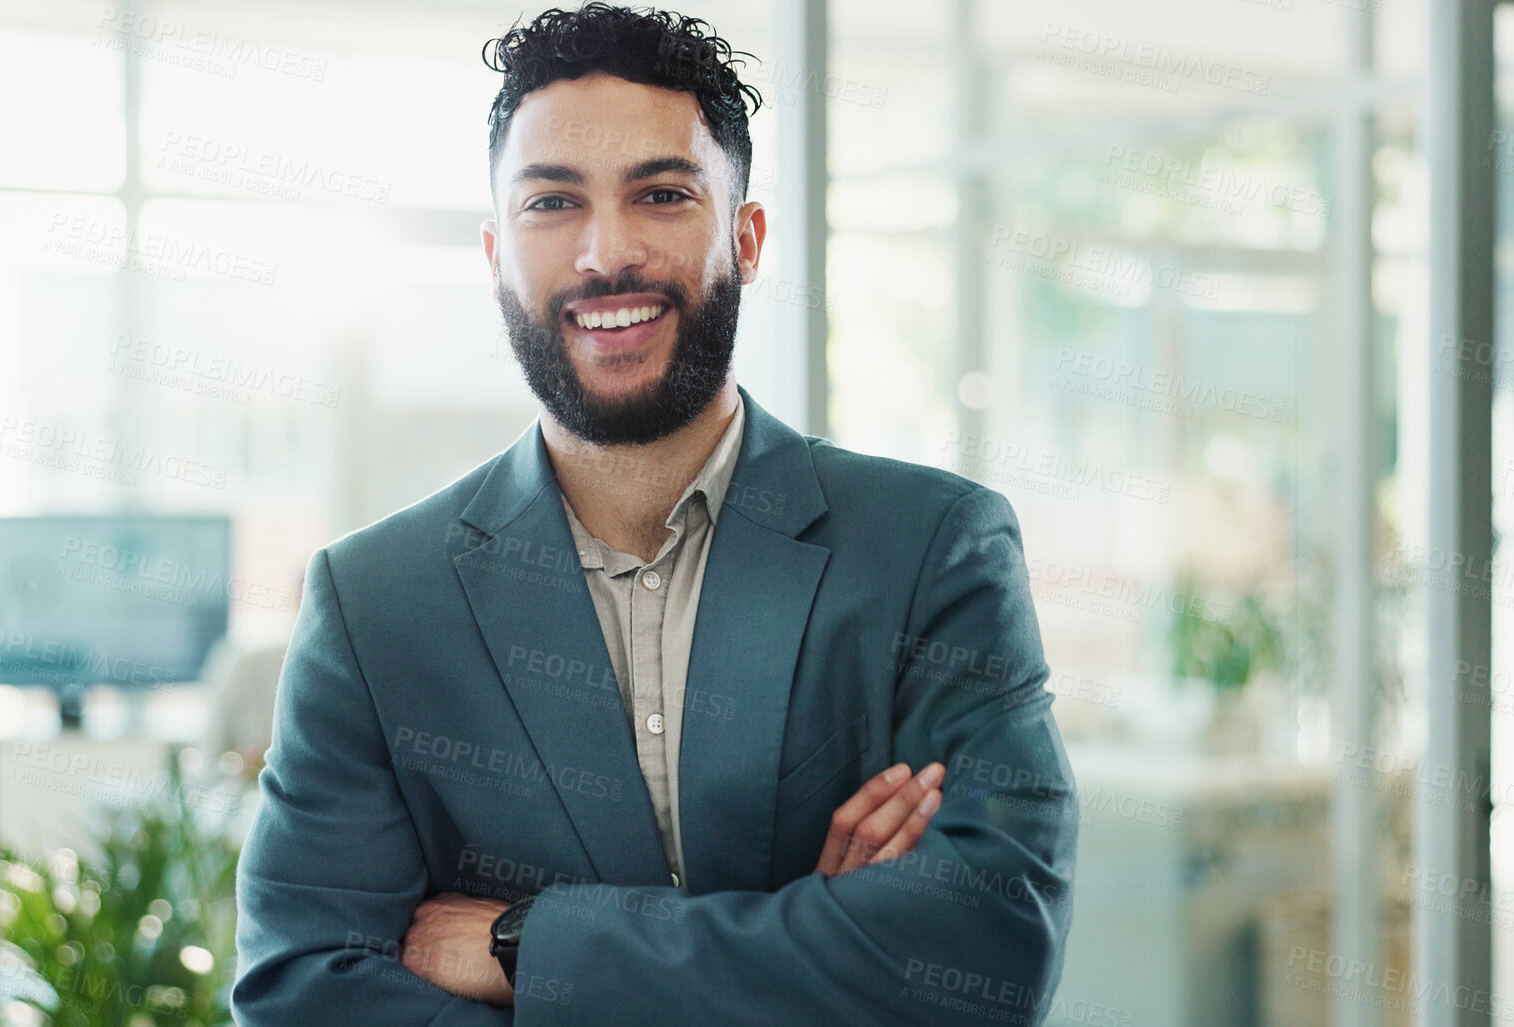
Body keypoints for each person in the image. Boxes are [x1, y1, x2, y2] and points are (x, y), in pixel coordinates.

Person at [233, 5, 1077, 1024]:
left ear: (748, 236)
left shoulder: (930, 551)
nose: (606, 254)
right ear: (497, 251)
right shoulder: (377, 603)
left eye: (664, 194)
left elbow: (984, 952)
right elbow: (303, 995)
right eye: (553, 203)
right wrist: (806, 943)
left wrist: (527, 944)